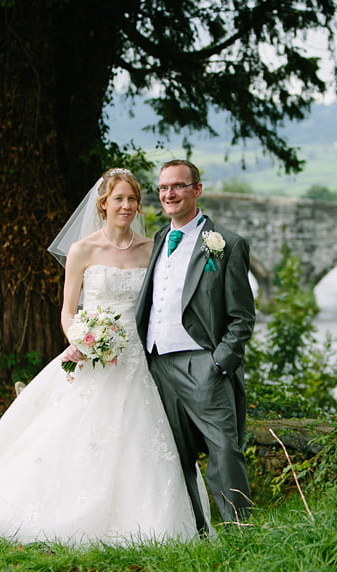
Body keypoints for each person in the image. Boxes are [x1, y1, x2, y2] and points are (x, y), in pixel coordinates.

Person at [0, 168, 208, 546]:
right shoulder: (83, 250)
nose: (127, 206)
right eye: (118, 198)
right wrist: (81, 339)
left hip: (137, 358)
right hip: (91, 356)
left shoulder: (152, 249)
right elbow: (67, 311)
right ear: (103, 204)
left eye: (132, 199)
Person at [135, 159, 256, 533]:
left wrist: (219, 363)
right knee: (175, 454)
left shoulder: (226, 244)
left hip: (202, 364)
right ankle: (195, 532)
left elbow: (242, 317)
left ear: (197, 190)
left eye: (178, 186)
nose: (169, 194)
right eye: (163, 188)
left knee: (224, 449)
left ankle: (240, 529)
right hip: (157, 363)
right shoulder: (158, 239)